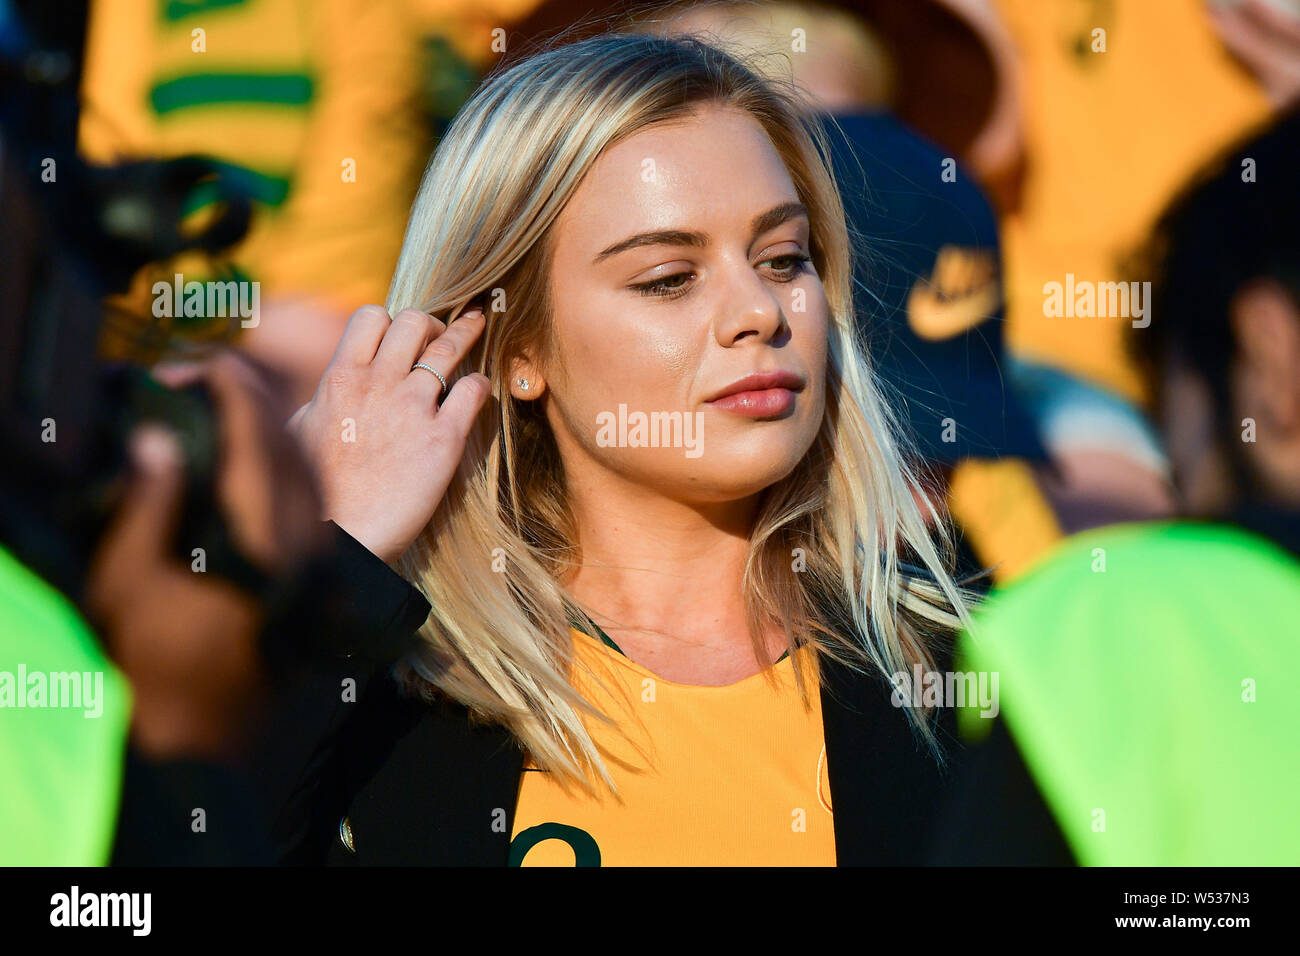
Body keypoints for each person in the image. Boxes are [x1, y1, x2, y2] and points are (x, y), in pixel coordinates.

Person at [278, 30, 979, 866]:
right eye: (668, 278)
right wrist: (331, 563)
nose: (759, 310)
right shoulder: (386, 696)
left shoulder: (971, 676)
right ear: (517, 350)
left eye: (784, 258)